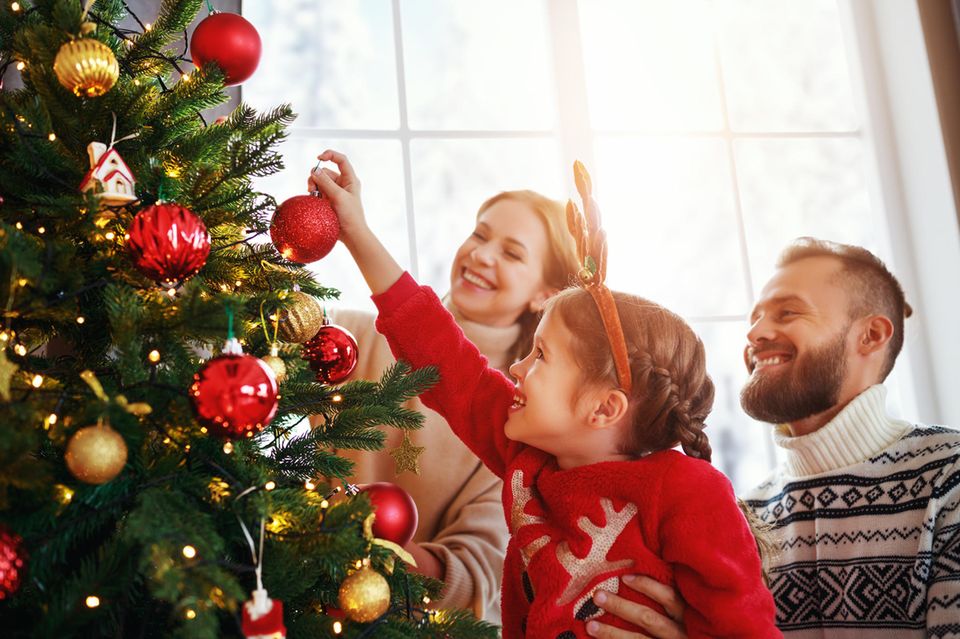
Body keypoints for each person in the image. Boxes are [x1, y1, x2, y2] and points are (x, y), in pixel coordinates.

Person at [310, 149, 780, 638]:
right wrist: (357, 233)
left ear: (603, 408)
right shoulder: (526, 457)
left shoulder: (689, 493)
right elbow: (444, 359)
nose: (516, 368)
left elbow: (744, 627)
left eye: (541, 358)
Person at [585, 238, 960, 639]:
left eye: (788, 312)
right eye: (757, 317)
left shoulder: (950, 479)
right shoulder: (745, 517)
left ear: (869, 335)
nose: (755, 332)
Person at [307, 167, 581, 623]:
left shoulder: (519, 420)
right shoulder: (347, 337)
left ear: (545, 295)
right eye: (480, 234)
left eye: (512, 253)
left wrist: (369, 547)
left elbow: (476, 577)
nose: (482, 255)